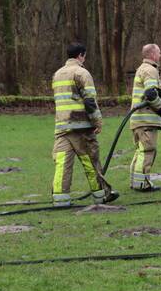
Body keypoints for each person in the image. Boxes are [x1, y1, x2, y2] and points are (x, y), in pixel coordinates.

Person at [50, 42, 118, 206]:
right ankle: (101, 195)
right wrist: (97, 121)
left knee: (62, 162)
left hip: (62, 127)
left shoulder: (57, 74)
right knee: (90, 160)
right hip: (81, 127)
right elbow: (90, 101)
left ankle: (60, 199)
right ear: (81, 55)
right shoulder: (82, 73)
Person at [128, 43, 161, 191]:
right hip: (146, 119)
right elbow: (150, 93)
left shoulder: (142, 69)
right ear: (152, 54)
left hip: (138, 119)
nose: (160, 55)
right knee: (147, 150)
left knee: (140, 151)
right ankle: (141, 184)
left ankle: (135, 182)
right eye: (159, 52)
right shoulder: (150, 70)